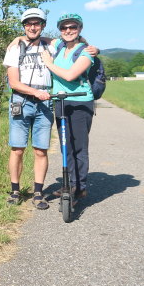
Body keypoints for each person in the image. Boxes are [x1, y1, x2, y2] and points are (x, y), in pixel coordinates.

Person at [3, 8, 54, 209]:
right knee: (17, 149)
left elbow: (75, 43)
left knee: (41, 150)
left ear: (42, 26)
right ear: (24, 26)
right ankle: (15, 191)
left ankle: (38, 193)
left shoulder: (52, 46)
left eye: (37, 23)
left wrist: (94, 49)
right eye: (28, 24)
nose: (33, 27)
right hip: (21, 101)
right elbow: (14, 82)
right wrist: (35, 92)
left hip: (45, 102)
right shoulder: (15, 48)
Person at [41, 13, 95, 200]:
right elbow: (40, 36)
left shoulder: (86, 51)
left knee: (78, 146)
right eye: (64, 28)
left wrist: (48, 63)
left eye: (73, 27)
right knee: (66, 146)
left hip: (80, 101)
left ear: (79, 29)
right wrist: (17, 38)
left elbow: (70, 75)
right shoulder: (59, 45)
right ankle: (70, 184)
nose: (68, 31)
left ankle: (80, 187)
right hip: (61, 101)